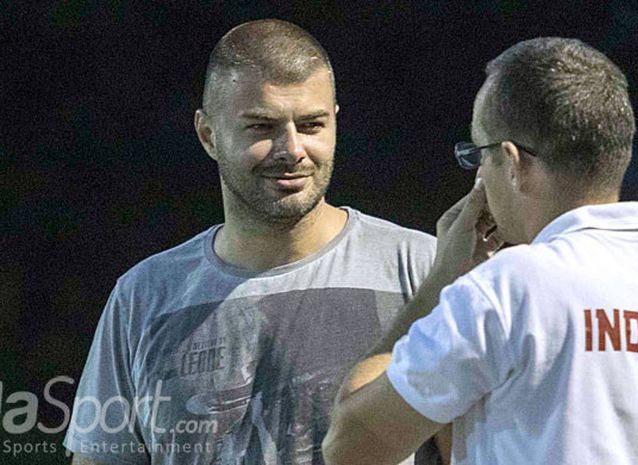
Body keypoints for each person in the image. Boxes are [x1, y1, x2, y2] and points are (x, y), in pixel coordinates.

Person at [64, 19, 438, 465]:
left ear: (336, 121)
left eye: (312, 124)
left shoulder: (422, 269)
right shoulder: (144, 297)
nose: (292, 149)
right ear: (208, 135)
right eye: (262, 127)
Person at [323, 37, 638, 465]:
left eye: (478, 155)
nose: (480, 173)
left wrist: (441, 282)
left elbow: (349, 445)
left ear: (513, 162)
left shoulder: (507, 288)